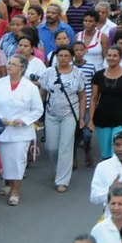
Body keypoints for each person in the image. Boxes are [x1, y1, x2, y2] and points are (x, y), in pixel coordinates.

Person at [0, 55, 45, 207]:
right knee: (4, 159)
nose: (9, 66)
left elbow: (38, 109)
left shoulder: (31, 87)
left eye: (14, 64)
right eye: (9, 63)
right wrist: (0, 118)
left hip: (21, 132)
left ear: (22, 68)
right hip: (2, 129)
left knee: (18, 161)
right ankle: (7, 183)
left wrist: (24, 120)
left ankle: (15, 191)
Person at [39, 45, 87, 193]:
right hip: (51, 114)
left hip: (69, 115)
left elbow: (82, 95)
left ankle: (62, 180)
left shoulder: (78, 74)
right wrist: (39, 113)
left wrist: (81, 117)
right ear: (57, 57)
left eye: (66, 55)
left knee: (66, 146)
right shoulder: (48, 72)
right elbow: (43, 92)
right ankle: (56, 170)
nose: (63, 58)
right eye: (61, 55)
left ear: (71, 57)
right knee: (51, 147)